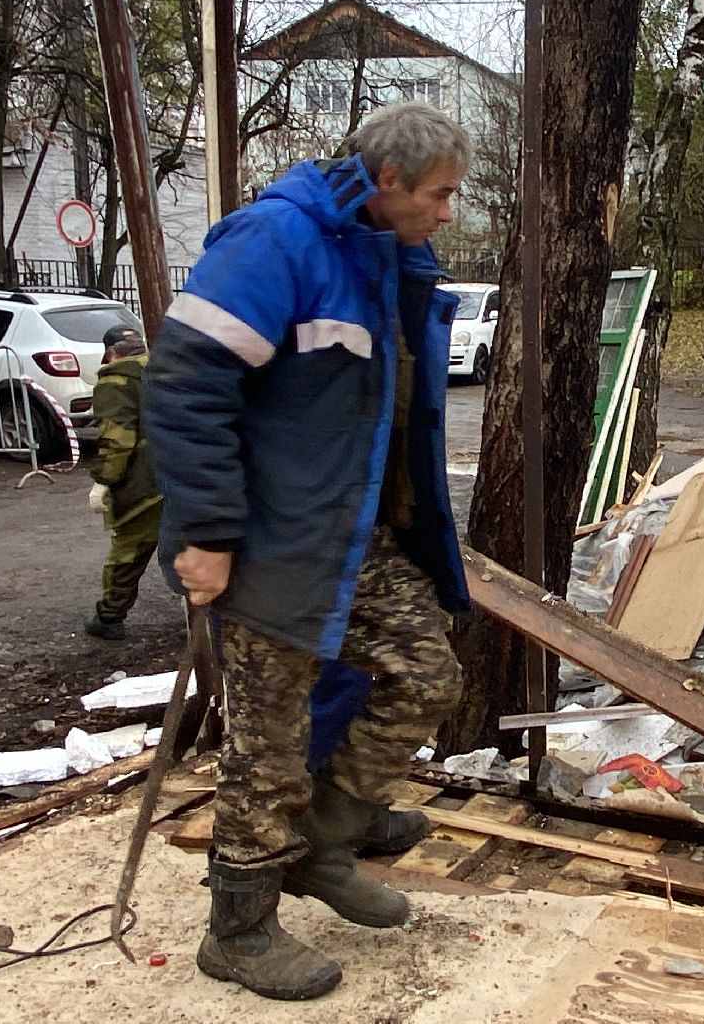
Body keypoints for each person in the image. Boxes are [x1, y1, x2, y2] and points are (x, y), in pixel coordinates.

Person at [143, 101, 472, 1002]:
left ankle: (323, 844)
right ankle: (238, 929)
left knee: (428, 675)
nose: (449, 212)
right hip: (264, 538)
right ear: (389, 180)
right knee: (268, 736)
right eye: (440, 195)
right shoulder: (275, 242)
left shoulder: (380, 252)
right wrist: (206, 535)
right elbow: (181, 389)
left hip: (345, 533)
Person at [84, 325, 159, 641]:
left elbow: (117, 441)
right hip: (181, 476)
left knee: (128, 551)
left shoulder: (115, 382)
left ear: (111, 353)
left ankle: (110, 617)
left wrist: (104, 482)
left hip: (143, 486)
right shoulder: (164, 370)